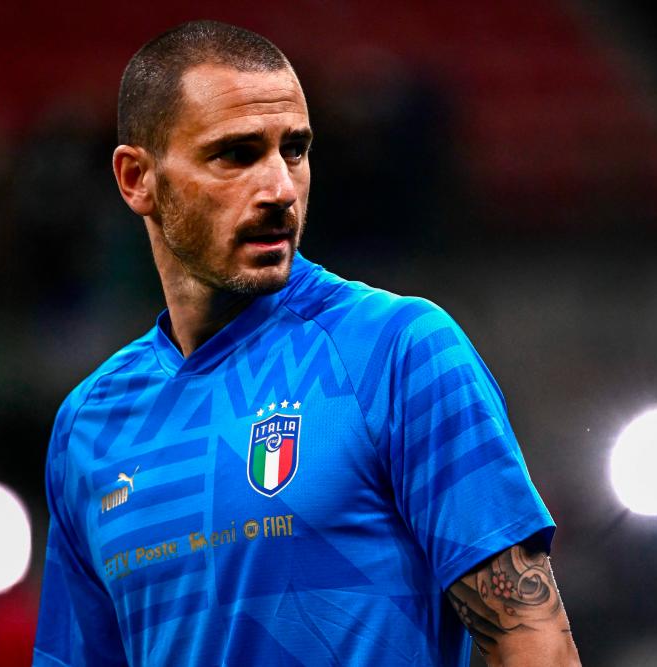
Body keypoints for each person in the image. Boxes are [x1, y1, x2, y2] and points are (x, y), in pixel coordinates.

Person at [33, 19, 581, 667]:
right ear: (137, 179)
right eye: (235, 154)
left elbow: (531, 639)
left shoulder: (398, 351)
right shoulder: (88, 427)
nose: (279, 189)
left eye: (294, 149)